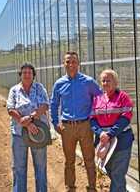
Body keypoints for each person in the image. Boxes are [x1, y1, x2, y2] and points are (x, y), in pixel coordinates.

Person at [50, 51, 102, 192]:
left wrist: (94, 118)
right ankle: (70, 187)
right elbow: (54, 104)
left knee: (89, 160)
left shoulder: (88, 82)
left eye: (73, 61)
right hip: (67, 127)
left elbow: (100, 99)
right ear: (64, 64)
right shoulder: (59, 83)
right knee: (69, 161)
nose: (71, 64)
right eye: (68, 62)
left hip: (85, 126)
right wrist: (55, 123)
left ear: (78, 63)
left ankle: (92, 187)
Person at [7, 63, 49, 192]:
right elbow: (10, 108)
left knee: (40, 166)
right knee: (19, 167)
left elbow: (45, 105)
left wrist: (29, 118)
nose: (27, 75)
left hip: (38, 132)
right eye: (24, 72)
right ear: (20, 75)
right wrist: (22, 120)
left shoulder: (39, 88)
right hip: (19, 133)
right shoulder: (14, 90)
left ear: (33, 75)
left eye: (29, 72)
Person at [90, 69, 134, 192]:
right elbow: (92, 120)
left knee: (118, 174)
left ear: (115, 82)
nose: (105, 83)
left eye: (108, 80)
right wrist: (100, 133)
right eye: (103, 81)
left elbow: (126, 118)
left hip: (121, 141)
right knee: (110, 170)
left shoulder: (123, 97)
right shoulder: (97, 99)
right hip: (103, 142)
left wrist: (110, 133)